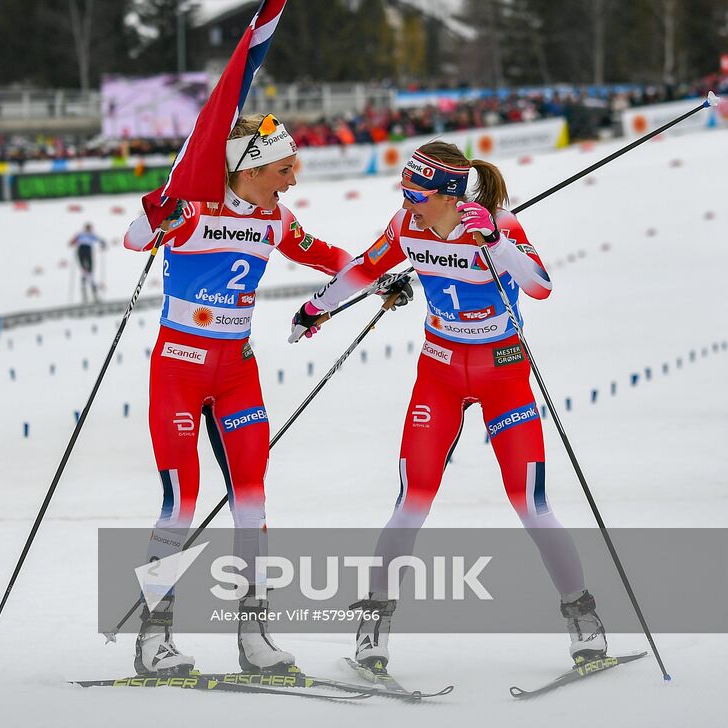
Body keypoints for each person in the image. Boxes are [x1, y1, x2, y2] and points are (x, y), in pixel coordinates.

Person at [290, 141, 607, 671]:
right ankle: (375, 623)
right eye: (407, 190)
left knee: (530, 501)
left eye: (417, 192)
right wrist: (316, 308)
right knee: (412, 498)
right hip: (439, 373)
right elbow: (366, 269)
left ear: (448, 193)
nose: (408, 201)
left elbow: (541, 286)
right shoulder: (406, 225)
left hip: (502, 373)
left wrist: (496, 242)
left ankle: (581, 614)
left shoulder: (497, 223)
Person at [124, 114, 352, 677]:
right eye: (282, 168)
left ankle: (254, 636)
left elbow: (329, 256)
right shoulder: (194, 209)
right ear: (246, 167)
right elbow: (135, 239)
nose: (291, 180)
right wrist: (157, 211)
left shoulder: (274, 218)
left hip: (236, 374)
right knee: (180, 503)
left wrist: (382, 274)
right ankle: (155, 639)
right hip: (179, 371)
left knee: (252, 502)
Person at [69, 223, 106, 303]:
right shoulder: (81, 233)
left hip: (88, 250)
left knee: (89, 271)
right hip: (82, 250)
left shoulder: (91, 234)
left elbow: (99, 239)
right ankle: (86, 294)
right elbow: (72, 241)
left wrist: (103, 243)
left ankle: (91, 293)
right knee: (85, 271)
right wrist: (73, 242)